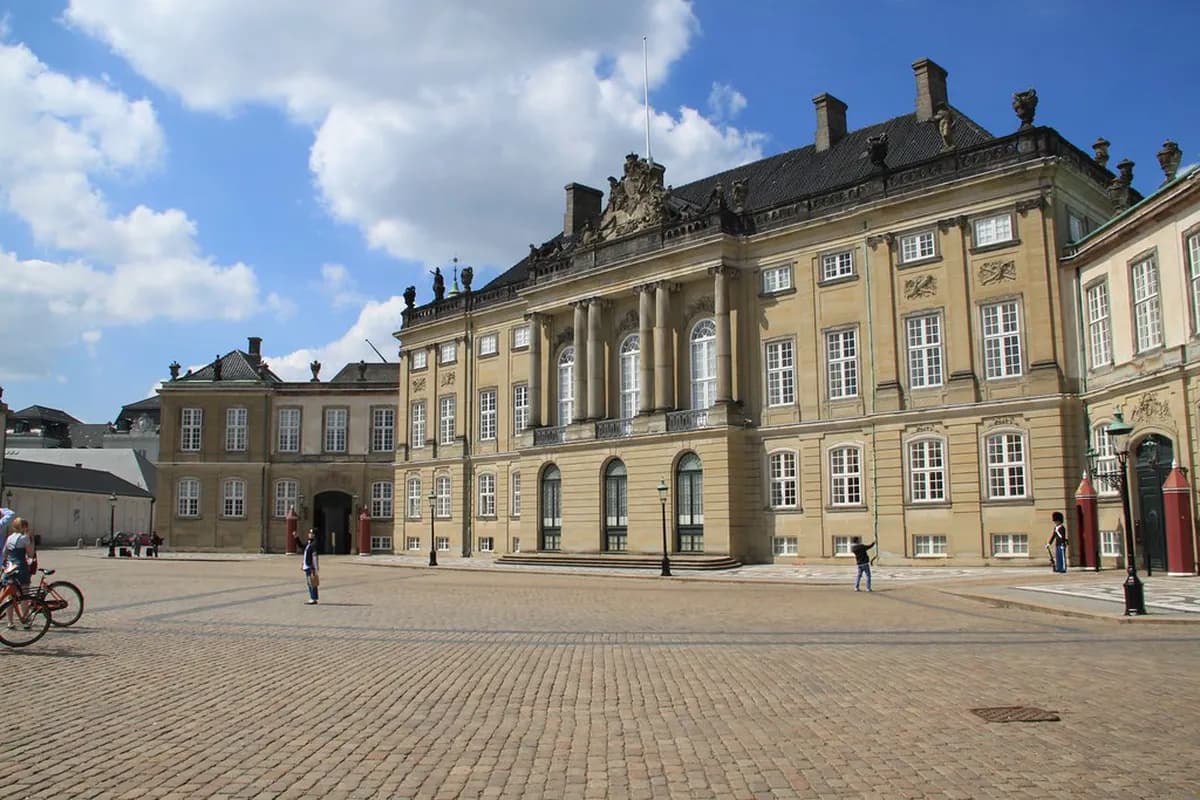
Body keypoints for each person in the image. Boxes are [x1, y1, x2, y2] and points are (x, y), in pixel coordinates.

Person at [2, 513, 37, 627]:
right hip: (21, 567)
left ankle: (10, 622)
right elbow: (30, 554)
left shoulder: (9, 537)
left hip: (10, 567)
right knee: (24, 595)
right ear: (23, 527)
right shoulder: (24, 538)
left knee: (10, 596)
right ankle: (25, 620)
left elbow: (4, 553)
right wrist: (32, 540)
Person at [302, 530, 319, 605]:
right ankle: (313, 597)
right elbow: (301, 546)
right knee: (310, 582)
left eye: (311, 533)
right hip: (307, 565)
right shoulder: (308, 543)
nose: (310, 534)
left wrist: (315, 567)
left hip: (310, 566)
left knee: (312, 582)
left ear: (314, 535)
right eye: (309, 533)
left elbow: (315, 556)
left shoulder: (314, 544)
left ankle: (313, 598)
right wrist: (296, 538)